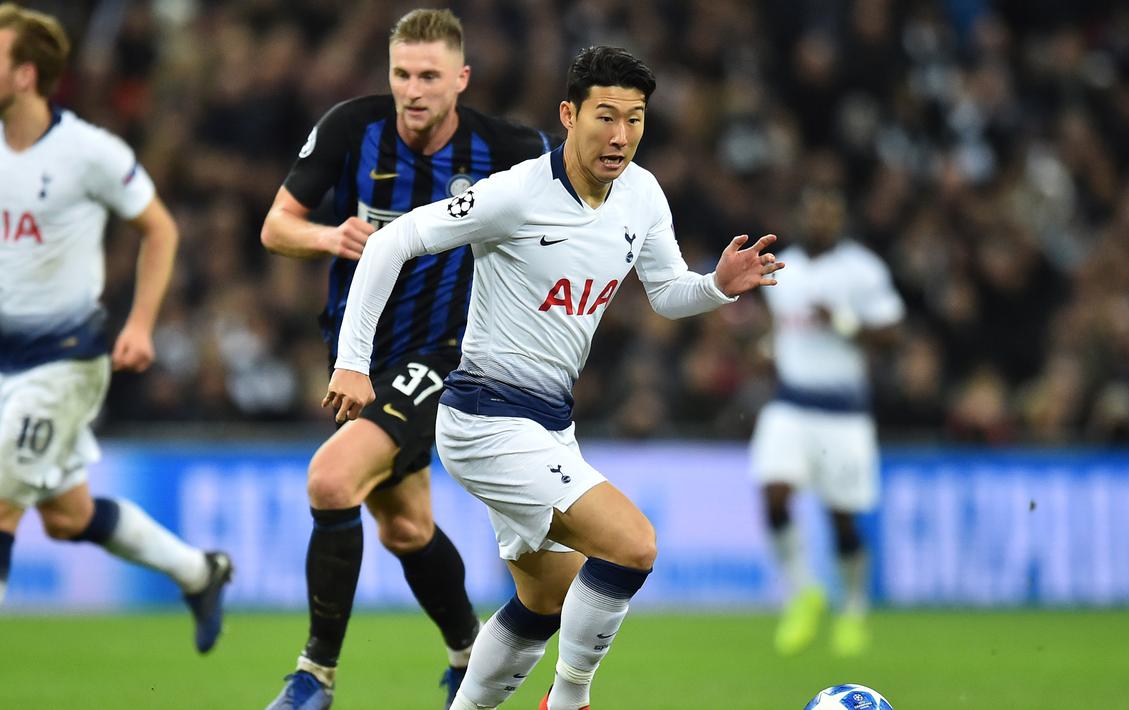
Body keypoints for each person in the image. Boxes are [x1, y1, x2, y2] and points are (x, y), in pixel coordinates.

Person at [325, 45, 785, 710]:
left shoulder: (641, 195)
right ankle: (568, 700)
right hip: (483, 420)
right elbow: (395, 241)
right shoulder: (516, 195)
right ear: (568, 115)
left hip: (549, 427)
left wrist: (715, 286)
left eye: (634, 119)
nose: (620, 135)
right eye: (604, 116)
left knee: (542, 600)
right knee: (632, 544)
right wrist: (351, 360)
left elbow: (664, 292)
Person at [259, 9, 551, 710]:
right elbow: (275, 227)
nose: (412, 90)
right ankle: (470, 660)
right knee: (405, 526)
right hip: (358, 354)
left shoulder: (507, 148)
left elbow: (576, 213)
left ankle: (313, 677)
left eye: (428, 76)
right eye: (400, 74)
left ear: (461, 80)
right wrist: (331, 238)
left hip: (448, 352)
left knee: (331, 483)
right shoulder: (351, 129)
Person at [0, 3, 231, 651]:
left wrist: (141, 324)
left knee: (0, 502)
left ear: (24, 75)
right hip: (4, 362)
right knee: (69, 518)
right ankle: (199, 570)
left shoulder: (88, 151)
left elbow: (159, 226)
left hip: (63, 361)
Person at [749, 186, 903, 657]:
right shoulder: (782, 267)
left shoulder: (862, 270)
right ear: (801, 216)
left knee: (842, 520)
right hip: (791, 403)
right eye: (813, 212)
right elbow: (778, 328)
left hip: (844, 412)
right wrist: (766, 351)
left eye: (828, 214)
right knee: (774, 495)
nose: (820, 221)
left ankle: (853, 608)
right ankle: (803, 593)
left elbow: (893, 336)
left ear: (840, 220)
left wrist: (844, 322)